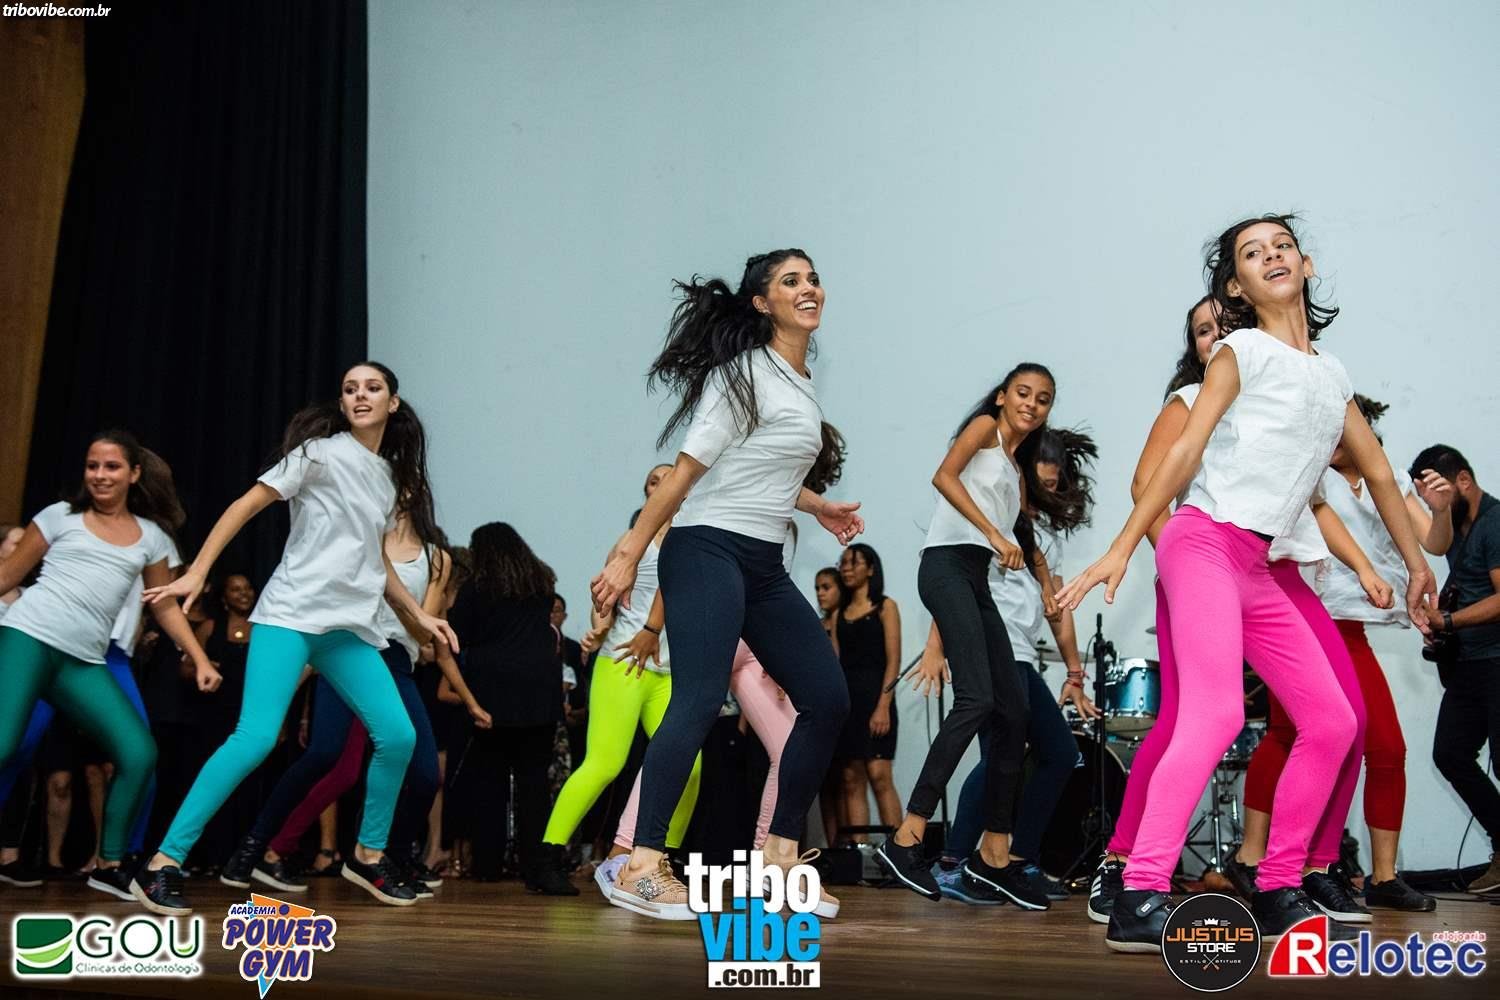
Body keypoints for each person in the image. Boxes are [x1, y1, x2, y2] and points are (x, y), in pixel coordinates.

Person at [1058, 214, 1436, 951]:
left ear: (1306, 264)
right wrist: (1123, 545)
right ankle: (1140, 892)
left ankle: (1276, 883)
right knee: (1215, 714)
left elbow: (1381, 474)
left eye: (1282, 246)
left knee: (1333, 721)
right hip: (1202, 543)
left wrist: (1417, 564)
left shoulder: (1331, 375)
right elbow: (1185, 451)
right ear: (1236, 286)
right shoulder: (1240, 351)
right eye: (1252, 253)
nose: (1272, 256)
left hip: (1262, 564)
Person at [591, 249, 861, 920]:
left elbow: (753, 466)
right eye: (791, 281)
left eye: (812, 278)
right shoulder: (742, 372)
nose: (809, 288)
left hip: (761, 562)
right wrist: (629, 551)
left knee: (827, 698)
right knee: (700, 696)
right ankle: (640, 864)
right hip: (706, 548)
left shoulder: (800, 379)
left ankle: (778, 857)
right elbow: (688, 471)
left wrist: (817, 506)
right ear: (763, 303)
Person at [138, 362, 458, 914]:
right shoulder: (318, 454)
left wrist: (417, 616)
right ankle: (162, 863)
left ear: (393, 403)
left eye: (372, 388)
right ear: (343, 403)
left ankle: (368, 854)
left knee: (398, 736)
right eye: (350, 389)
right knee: (255, 739)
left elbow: (376, 561)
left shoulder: (387, 478)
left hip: (346, 629)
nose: (360, 396)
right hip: (289, 616)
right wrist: (197, 570)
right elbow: (245, 505)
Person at [1230, 397, 1452, 913]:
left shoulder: (1386, 479)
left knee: (1385, 748)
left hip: (1352, 627)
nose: (1328, 438)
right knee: (1291, 735)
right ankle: (1259, 858)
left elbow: (1433, 543)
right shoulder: (1311, 474)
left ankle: (1383, 876)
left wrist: (1441, 511)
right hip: (1302, 615)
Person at [877, 363, 1076, 910]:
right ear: (1003, 396)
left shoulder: (1015, 469)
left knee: (1014, 711)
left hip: (975, 576)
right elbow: (943, 477)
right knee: (977, 699)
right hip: (945, 566)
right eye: (1023, 393)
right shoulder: (985, 429)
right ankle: (907, 836)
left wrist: (1047, 588)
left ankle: (993, 857)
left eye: (1043, 398)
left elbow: (1024, 539)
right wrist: (993, 533)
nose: (1031, 403)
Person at [0, 430, 218, 903]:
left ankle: (110, 864)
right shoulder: (59, 516)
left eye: (112, 467)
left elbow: (163, 606)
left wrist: (198, 656)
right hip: (28, 638)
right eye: (92, 466)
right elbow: (7, 576)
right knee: (4, 744)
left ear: (134, 474)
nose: (100, 475)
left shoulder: (152, 537)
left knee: (138, 754)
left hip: (82, 661)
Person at [915, 426, 1100, 904]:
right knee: (1005, 754)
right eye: (1039, 481)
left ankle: (1014, 860)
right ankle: (955, 863)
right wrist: (935, 646)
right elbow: (959, 585)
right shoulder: (990, 523)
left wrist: (1074, 673)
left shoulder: (1044, 540)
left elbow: (1057, 611)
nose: (1043, 491)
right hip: (995, 652)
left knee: (1056, 753)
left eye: (1054, 484)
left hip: (1021, 655)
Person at [534, 464, 704, 895]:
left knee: (690, 767)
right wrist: (598, 627)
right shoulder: (632, 542)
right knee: (605, 763)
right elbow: (603, 598)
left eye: (669, 477)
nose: (661, 484)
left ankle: (660, 860)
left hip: (667, 673)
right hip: (623, 664)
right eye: (653, 481)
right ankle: (547, 857)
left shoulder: (695, 539)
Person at [448, 522, 564, 887]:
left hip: (491, 693)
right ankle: (534, 865)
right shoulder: (541, 582)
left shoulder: (476, 588)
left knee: (489, 783)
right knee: (534, 784)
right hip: (539, 692)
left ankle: (488, 864)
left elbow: (457, 636)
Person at [1411, 443, 1500, 894]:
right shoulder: (1455, 525)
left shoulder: (1495, 523)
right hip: (1468, 662)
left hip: (1496, 659)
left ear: (1463, 479)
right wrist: (1440, 625)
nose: (1431, 501)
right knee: (1450, 754)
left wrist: (1449, 621)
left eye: (1437, 491)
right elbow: (1444, 556)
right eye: (1425, 496)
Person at [830, 544, 902, 842]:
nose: (847, 568)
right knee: (851, 778)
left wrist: (883, 705)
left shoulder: (886, 607)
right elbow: (834, 664)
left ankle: (901, 852)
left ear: (871, 569)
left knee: (880, 775)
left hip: (877, 699)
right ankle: (859, 854)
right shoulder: (838, 614)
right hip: (848, 704)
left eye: (854, 562)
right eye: (843, 563)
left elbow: (894, 660)